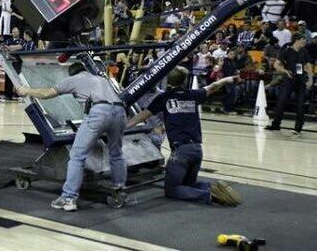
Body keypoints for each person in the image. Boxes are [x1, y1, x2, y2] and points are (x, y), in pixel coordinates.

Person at [17, 63, 127, 211]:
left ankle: (68, 198)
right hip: (120, 112)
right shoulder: (100, 79)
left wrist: (26, 90)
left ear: (71, 73)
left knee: (77, 155)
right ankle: (119, 188)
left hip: (99, 111)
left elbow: (46, 93)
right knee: (116, 153)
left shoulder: (73, 79)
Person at [127, 66, 242, 206]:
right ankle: (211, 187)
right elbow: (213, 86)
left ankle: (208, 195)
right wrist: (228, 79)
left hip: (181, 152)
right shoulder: (193, 95)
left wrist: (125, 126)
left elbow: (142, 116)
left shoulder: (164, 98)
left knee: (172, 190)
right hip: (197, 150)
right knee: (188, 184)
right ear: (185, 80)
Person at [266, 33, 313, 135]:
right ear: (297, 40)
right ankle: (276, 125)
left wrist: (310, 79)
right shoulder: (287, 51)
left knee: (301, 104)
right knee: (281, 101)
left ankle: (298, 127)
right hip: (289, 79)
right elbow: (276, 65)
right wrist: (285, 71)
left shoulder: (304, 51)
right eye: (303, 39)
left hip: (301, 80)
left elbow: (309, 65)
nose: (305, 41)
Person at [0, 27, 24, 100]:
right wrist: (10, 48)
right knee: (8, 79)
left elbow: (20, 47)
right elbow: (2, 47)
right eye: (13, 32)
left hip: (17, 62)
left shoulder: (21, 41)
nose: (14, 33)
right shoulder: (8, 40)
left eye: (16, 32)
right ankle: (7, 95)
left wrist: (10, 47)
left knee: (18, 79)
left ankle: (18, 95)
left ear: (18, 33)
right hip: (9, 62)